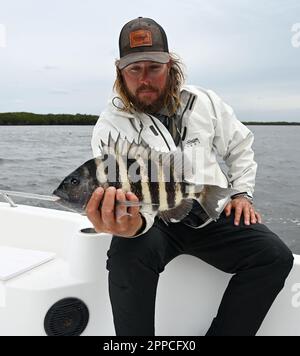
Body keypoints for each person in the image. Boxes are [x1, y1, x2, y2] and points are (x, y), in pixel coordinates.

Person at [86, 17, 294, 336]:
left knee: (274, 257)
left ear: (170, 65)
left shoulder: (204, 102)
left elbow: (240, 145)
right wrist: (123, 223)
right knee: (125, 254)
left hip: (211, 214)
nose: (144, 79)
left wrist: (241, 194)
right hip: (153, 220)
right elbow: (120, 192)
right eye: (134, 68)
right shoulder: (110, 126)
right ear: (120, 72)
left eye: (154, 67)